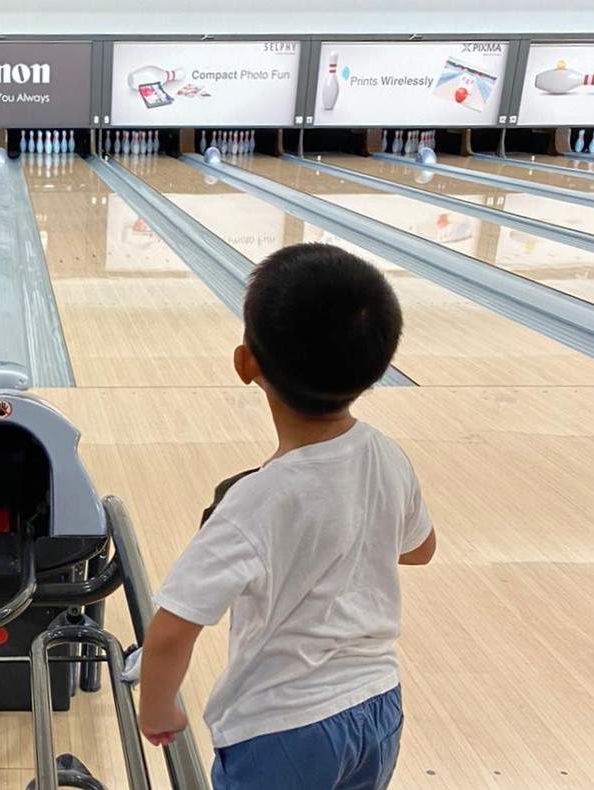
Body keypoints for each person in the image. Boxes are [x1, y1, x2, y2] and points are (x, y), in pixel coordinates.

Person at [137, 243, 436, 789]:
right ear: (377, 371)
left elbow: (172, 629)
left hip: (283, 732)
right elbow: (420, 549)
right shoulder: (386, 455)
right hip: (378, 706)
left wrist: (158, 708)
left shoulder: (253, 502)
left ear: (245, 363)